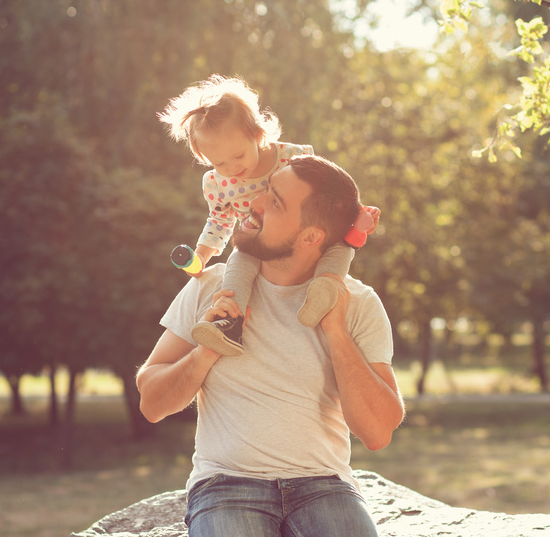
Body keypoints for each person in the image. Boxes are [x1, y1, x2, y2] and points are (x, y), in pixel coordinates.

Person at [136, 154, 405, 537]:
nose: (254, 204)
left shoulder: (358, 303)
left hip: (324, 486)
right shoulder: (214, 287)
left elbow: (377, 433)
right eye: (265, 190)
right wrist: (208, 349)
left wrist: (336, 332)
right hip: (226, 486)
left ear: (310, 236)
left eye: (274, 202)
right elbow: (151, 403)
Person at [159, 75, 379, 357]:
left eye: (237, 155)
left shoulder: (293, 157)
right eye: (218, 162)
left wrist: (357, 213)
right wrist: (201, 255)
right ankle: (230, 323)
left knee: (340, 245)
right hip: (256, 240)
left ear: (257, 134)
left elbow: (328, 192)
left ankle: (326, 290)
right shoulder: (217, 183)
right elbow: (219, 221)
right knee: (238, 265)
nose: (231, 168)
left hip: (304, 231)